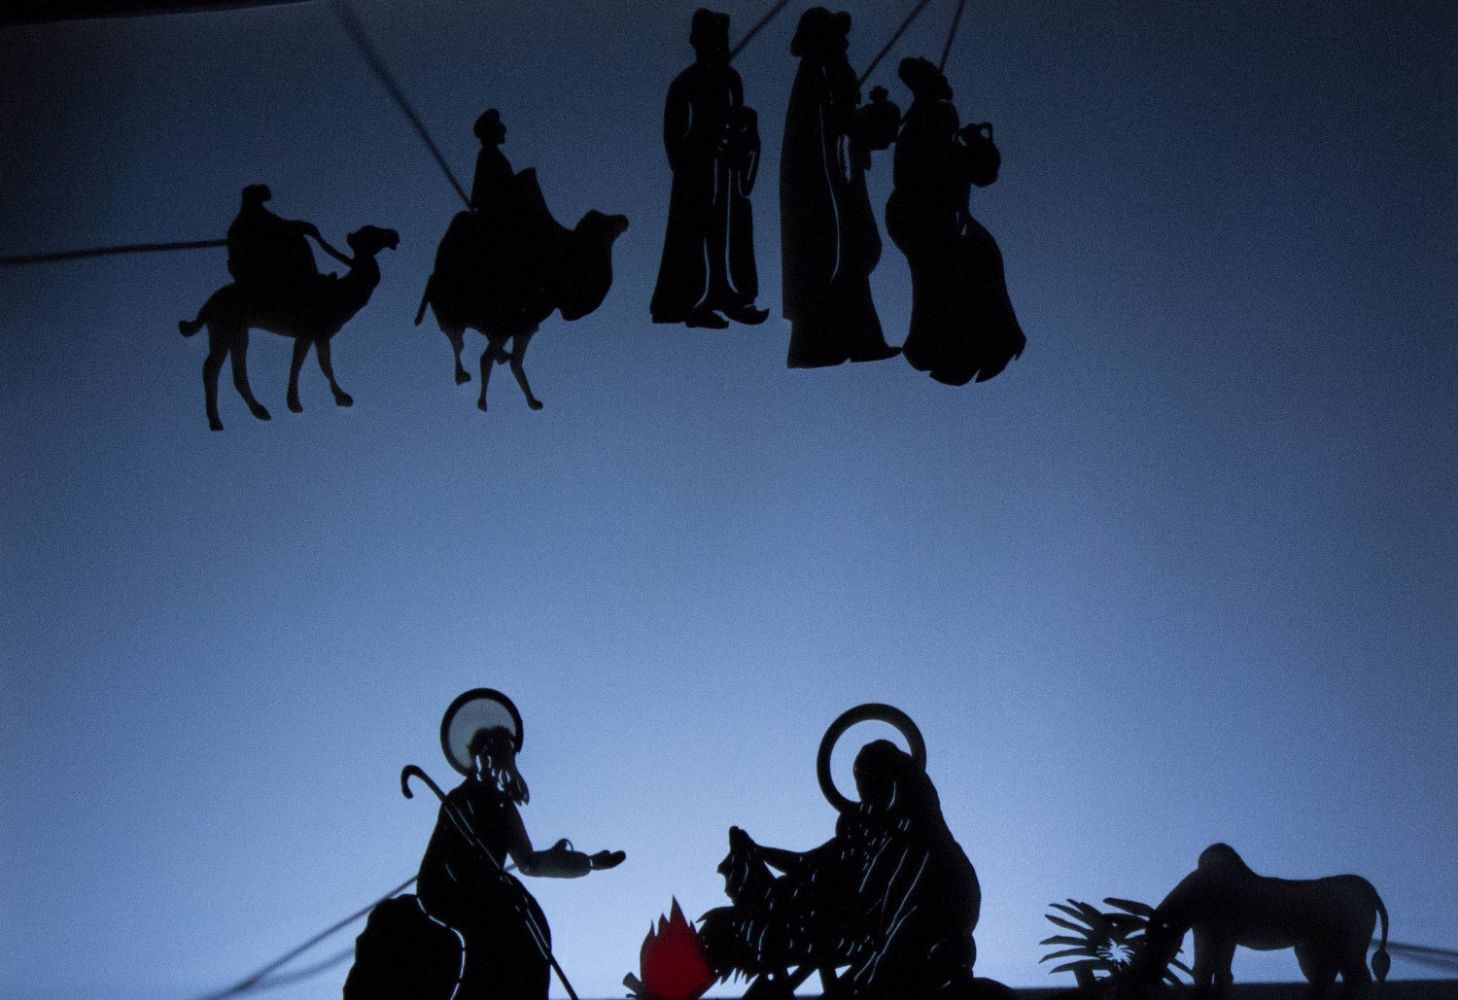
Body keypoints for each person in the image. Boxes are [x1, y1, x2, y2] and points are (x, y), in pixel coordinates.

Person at [700, 739, 981, 1000]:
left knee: (873, 974)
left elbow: (885, 905)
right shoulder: (866, 831)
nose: (865, 795)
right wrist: (760, 851)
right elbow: (808, 863)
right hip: (877, 929)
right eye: (861, 786)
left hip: (923, 923)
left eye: (869, 783)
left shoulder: (913, 835)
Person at [416, 720, 625, 1000]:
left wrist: (587, 863)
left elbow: (529, 862)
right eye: (488, 755)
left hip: (495, 898)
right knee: (494, 943)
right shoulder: (460, 799)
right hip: (457, 894)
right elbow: (437, 867)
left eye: (500, 756)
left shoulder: (503, 806)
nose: (492, 764)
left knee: (524, 935)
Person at [886, 57, 1025, 385]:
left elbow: (980, 174)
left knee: (974, 259)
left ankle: (975, 343)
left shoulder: (931, 123)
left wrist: (974, 149)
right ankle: (952, 347)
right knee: (950, 271)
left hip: (936, 213)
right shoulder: (924, 124)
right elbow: (953, 171)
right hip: (922, 213)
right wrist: (969, 152)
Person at [780, 8, 900, 368]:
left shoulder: (825, 73)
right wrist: (866, 119)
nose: (844, 42)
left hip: (838, 178)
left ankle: (861, 341)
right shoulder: (818, 76)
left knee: (850, 260)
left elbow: (843, 123)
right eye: (836, 35)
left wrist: (866, 118)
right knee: (841, 259)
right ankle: (839, 344)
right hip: (829, 184)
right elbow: (834, 127)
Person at [651, 8, 769, 329]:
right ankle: (694, 300)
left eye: (722, 40)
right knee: (696, 233)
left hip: (726, 167)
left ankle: (724, 291)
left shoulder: (730, 78)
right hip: (697, 168)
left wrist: (740, 136)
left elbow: (737, 115)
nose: (719, 47)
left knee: (726, 231)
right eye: (712, 40)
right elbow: (674, 134)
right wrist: (690, 165)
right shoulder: (686, 83)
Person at [225, 184, 349, 310]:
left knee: (296, 239)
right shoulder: (246, 221)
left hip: (259, 262)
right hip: (255, 269)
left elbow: (279, 225)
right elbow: (276, 228)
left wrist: (298, 226)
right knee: (295, 241)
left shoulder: (258, 215)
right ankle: (309, 282)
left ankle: (311, 280)